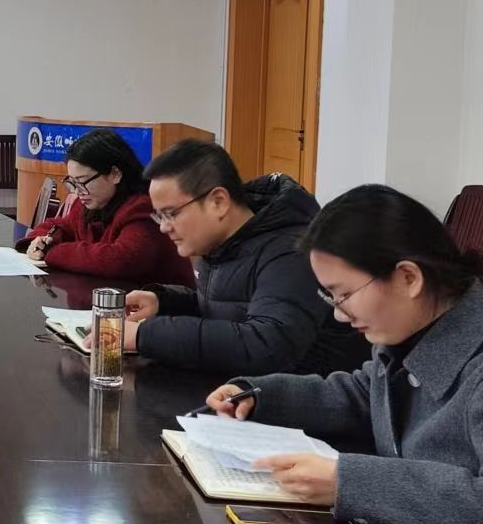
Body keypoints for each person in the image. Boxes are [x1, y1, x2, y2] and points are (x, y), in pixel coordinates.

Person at [204, 185, 483, 524]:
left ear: (409, 278)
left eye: (344, 294)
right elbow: (365, 396)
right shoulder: (410, 336)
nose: (339, 314)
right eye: (331, 297)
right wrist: (260, 395)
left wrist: (349, 483)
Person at [124, 140, 369, 374]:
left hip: (303, 396)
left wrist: (144, 335)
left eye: (171, 214)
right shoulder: (221, 243)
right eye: (159, 216)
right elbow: (228, 308)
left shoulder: (290, 251)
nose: (163, 227)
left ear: (218, 202)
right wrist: (164, 303)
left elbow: (267, 345)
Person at [15, 128, 192, 283]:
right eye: (73, 183)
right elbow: (61, 226)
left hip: (161, 305)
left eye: (82, 182)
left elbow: (121, 260)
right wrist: (39, 241)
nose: (77, 192)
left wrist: (55, 252)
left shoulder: (142, 207)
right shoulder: (88, 204)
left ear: (115, 174)